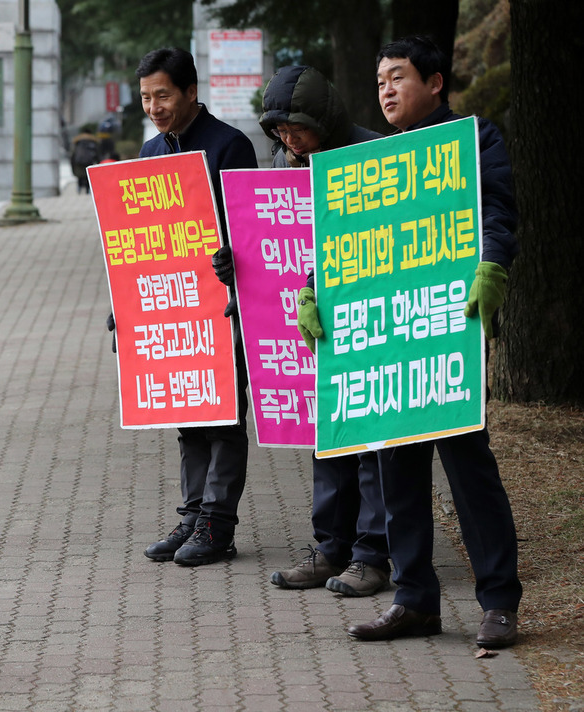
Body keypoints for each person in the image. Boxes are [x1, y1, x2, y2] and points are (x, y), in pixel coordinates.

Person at [346, 35, 522, 648]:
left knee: (468, 468)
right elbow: (346, 240)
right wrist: (318, 288)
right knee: (397, 472)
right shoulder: (371, 159)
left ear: (436, 82)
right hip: (390, 339)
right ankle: (414, 599)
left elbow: (497, 212)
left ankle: (499, 602)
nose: (387, 91)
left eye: (398, 77)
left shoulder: (476, 141)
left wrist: (492, 264)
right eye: (380, 83)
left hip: (446, 329)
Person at [248, 65, 390, 597]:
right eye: (279, 133)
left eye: (296, 130)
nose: (289, 140)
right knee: (327, 433)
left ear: (322, 120)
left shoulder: (371, 155)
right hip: (319, 324)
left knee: (372, 438)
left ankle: (373, 555)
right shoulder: (289, 162)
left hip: (369, 317)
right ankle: (332, 547)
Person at [130, 46, 258, 566]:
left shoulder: (230, 146)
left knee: (225, 413)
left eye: (162, 94)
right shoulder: (148, 154)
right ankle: (191, 516)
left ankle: (217, 524)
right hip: (176, 308)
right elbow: (138, 246)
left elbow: (254, 228)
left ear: (191, 92)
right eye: (145, 98)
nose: (154, 107)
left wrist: (235, 257)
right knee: (188, 410)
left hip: (226, 305)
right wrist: (128, 303)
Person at [70, 125, 100, 193]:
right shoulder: (93, 140)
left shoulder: (77, 140)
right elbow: (96, 153)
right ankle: (87, 191)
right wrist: (98, 162)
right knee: (88, 176)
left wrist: (73, 163)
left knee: (80, 176)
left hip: (79, 161)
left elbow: (73, 153)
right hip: (89, 161)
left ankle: (79, 189)